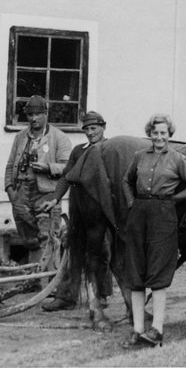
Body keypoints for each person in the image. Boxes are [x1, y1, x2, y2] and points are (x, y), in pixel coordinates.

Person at [121, 113, 186, 348]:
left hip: (164, 217)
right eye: (155, 133)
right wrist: (132, 203)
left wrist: (172, 200)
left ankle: (157, 329)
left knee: (158, 271)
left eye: (163, 133)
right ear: (150, 133)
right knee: (136, 271)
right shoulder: (139, 157)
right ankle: (137, 330)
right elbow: (127, 181)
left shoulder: (178, 159)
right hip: (138, 215)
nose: (159, 137)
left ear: (169, 135)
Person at [40, 111, 113, 311]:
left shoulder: (110, 150)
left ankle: (101, 294)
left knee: (102, 251)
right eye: (87, 129)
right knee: (71, 249)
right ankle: (66, 296)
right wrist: (54, 199)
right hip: (80, 209)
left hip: (103, 211)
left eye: (94, 128)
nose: (90, 133)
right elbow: (66, 177)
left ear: (103, 127)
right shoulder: (79, 151)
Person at [5, 95, 72, 265]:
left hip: (46, 193)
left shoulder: (59, 137)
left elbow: (69, 167)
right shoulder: (20, 136)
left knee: (48, 237)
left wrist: (47, 168)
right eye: (30, 115)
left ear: (45, 114)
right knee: (29, 239)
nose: (33, 118)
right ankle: (35, 279)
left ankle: (49, 282)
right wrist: (10, 190)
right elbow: (10, 165)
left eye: (37, 114)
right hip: (21, 192)